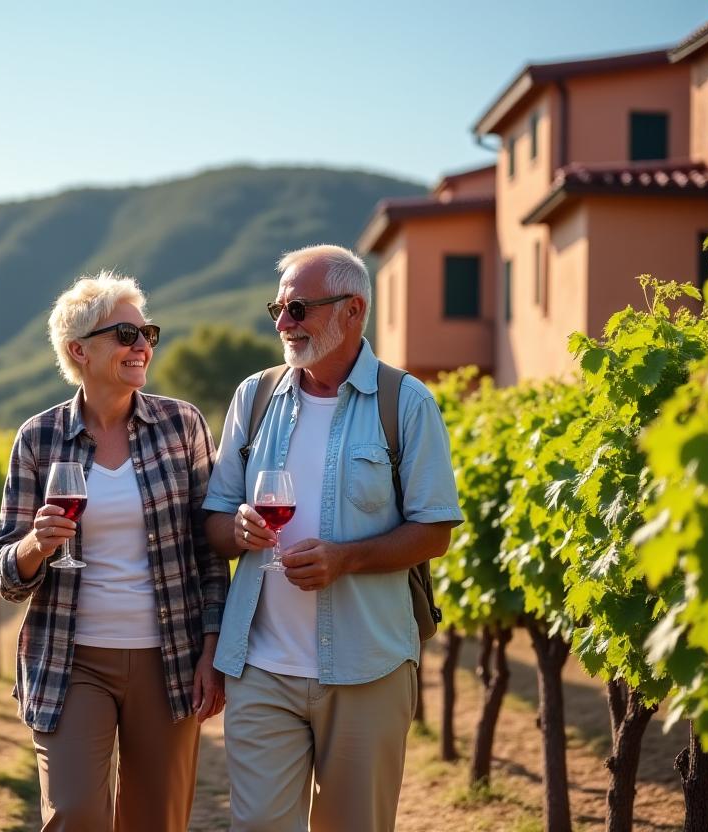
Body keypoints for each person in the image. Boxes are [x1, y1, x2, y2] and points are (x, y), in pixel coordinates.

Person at [202, 244, 463, 832]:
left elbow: (436, 530)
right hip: (261, 667)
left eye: (298, 309)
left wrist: (347, 559)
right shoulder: (256, 396)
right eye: (278, 309)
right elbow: (214, 521)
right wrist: (237, 528)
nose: (282, 324)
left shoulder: (406, 403)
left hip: (367, 665)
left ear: (353, 310)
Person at [0, 270, 228, 831]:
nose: (141, 345)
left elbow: (208, 549)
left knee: (156, 820)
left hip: (168, 656)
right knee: (74, 815)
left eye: (147, 333)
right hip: (70, 660)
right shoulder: (38, 439)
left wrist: (212, 647)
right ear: (80, 350)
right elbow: (5, 572)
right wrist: (35, 545)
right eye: (124, 334)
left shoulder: (182, 425)